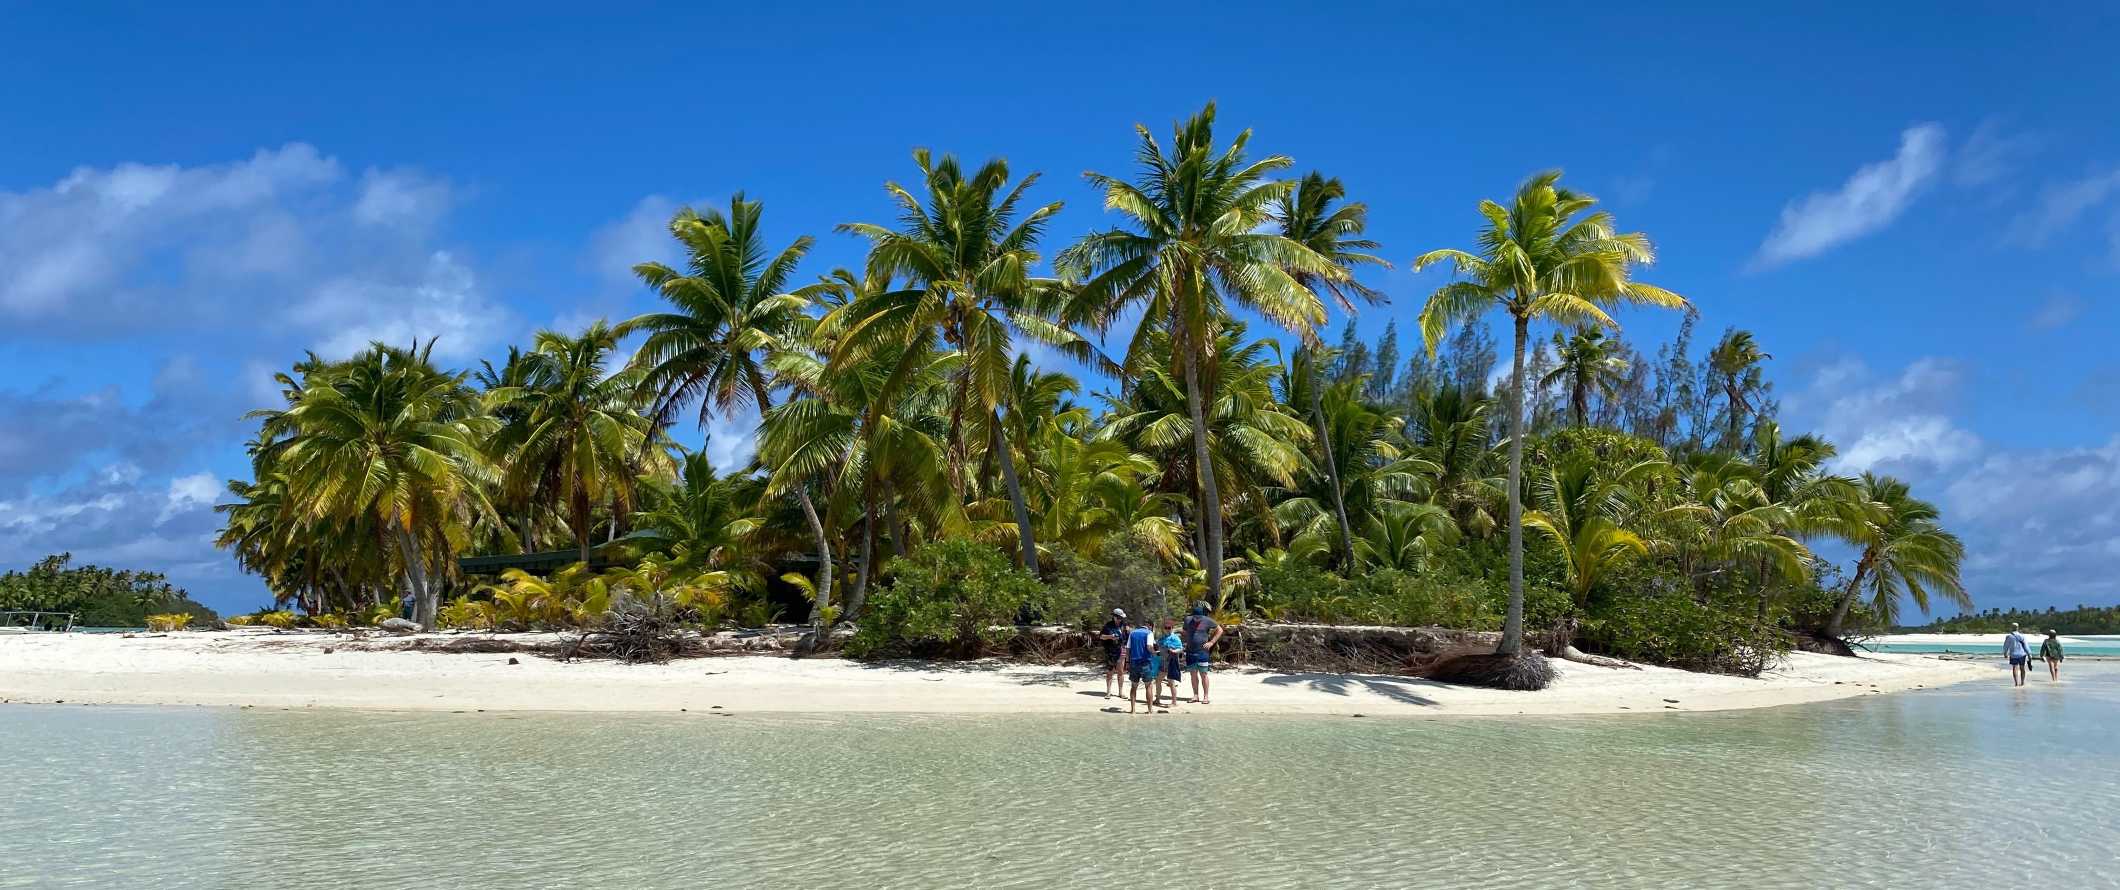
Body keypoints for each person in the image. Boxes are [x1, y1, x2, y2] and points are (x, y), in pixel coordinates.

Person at [1182, 602, 1223, 704]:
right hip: (1190, 651)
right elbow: (1184, 631)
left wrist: (1212, 642)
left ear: (1202, 615)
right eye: (1196, 617)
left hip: (1202, 652)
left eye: (1199, 617)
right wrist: (1185, 641)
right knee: (1193, 674)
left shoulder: (1207, 620)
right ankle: (1195, 695)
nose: (1197, 619)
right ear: (1193, 615)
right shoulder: (1187, 620)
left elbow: (1220, 630)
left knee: (1203, 674)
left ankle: (1206, 696)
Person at [1124, 618, 1158, 714]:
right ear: (1150, 626)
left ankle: (1133, 710)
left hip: (1134, 663)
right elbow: (1149, 647)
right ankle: (1150, 710)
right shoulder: (1149, 633)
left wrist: (1127, 662)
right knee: (1148, 686)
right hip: (1145, 663)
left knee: (1134, 686)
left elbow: (1128, 648)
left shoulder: (1132, 633)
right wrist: (1155, 653)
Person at [1098, 609, 1128, 698]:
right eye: (1118, 618)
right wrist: (1110, 637)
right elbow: (1101, 636)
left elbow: (1127, 637)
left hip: (1121, 650)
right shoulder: (1108, 626)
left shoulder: (1124, 626)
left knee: (1121, 671)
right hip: (1110, 651)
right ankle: (1108, 692)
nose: (1120, 619)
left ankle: (1121, 692)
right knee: (1110, 671)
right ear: (1114, 617)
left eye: (1121, 618)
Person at [1159, 618, 1186, 706]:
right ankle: (1157, 699)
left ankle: (1174, 702)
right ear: (1163, 628)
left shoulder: (1175, 637)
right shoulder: (1162, 638)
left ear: (1172, 628)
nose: (1167, 629)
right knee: (1158, 680)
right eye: (1166, 628)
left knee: (1171, 682)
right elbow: (1159, 648)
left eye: (1169, 628)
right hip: (1162, 662)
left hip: (1171, 662)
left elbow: (1181, 648)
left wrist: (1175, 651)